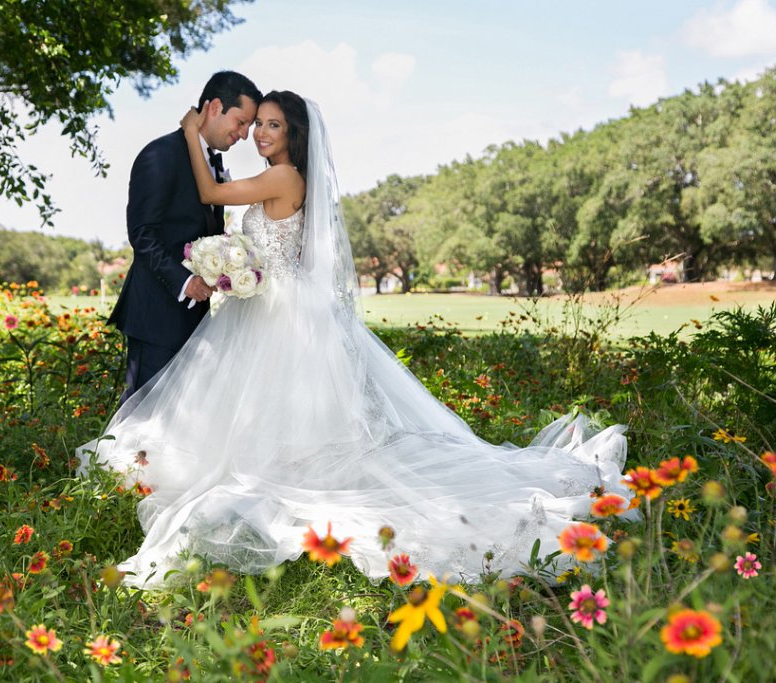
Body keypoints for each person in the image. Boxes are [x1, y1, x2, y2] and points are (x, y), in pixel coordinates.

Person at [78, 91, 633, 587]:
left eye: (271, 125)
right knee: (264, 406)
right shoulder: (286, 179)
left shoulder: (284, 175)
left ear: (293, 134)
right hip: (268, 304)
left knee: (266, 407)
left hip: (279, 313)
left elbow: (208, 188)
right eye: (257, 124)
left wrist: (188, 130)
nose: (260, 135)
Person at [108, 71, 262, 405]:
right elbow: (143, 235)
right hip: (156, 316)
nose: (245, 134)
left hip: (196, 317)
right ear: (215, 106)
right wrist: (185, 282)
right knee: (143, 415)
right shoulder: (160, 154)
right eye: (241, 122)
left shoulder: (212, 163)